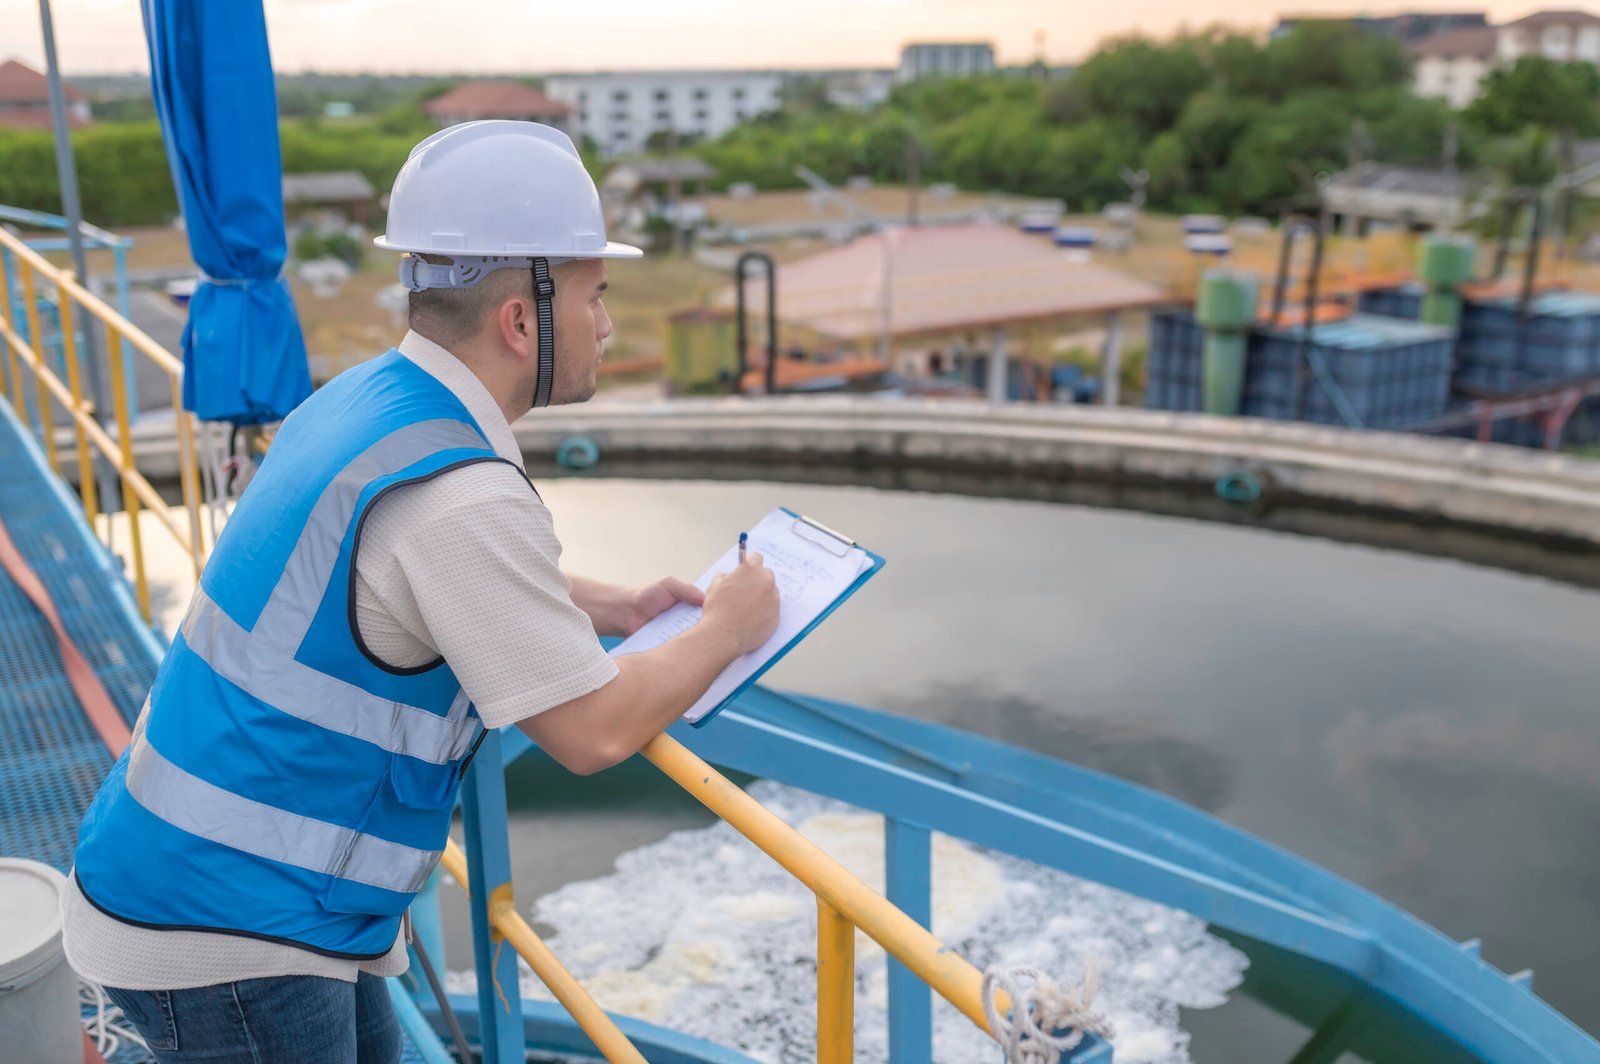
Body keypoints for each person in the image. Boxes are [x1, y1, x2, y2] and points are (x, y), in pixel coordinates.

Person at [63, 121, 780, 1064]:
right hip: (231, 926)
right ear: (522, 322)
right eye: (595, 296)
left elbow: (405, 573)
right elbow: (594, 731)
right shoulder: (464, 493)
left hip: (205, 880)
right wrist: (727, 626)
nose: (607, 323)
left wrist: (605, 608)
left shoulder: (370, 398)